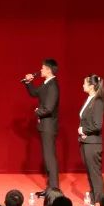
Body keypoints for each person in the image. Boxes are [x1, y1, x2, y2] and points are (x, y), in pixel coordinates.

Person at [21, 58, 60, 194]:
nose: (40, 70)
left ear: (48, 70)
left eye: (42, 68)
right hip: (44, 126)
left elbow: (49, 108)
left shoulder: (53, 86)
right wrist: (28, 82)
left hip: (49, 126)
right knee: (47, 157)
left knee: (50, 157)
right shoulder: (46, 83)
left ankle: (54, 188)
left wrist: (37, 111)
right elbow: (34, 93)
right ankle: (50, 187)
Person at [78, 74, 104, 203]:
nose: (83, 85)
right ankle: (94, 199)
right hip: (85, 142)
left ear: (91, 86)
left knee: (95, 174)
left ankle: (100, 202)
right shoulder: (89, 99)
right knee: (90, 173)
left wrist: (84, 130)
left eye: (85, 83)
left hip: (93, 144)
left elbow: (97, 125)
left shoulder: (98, 101)